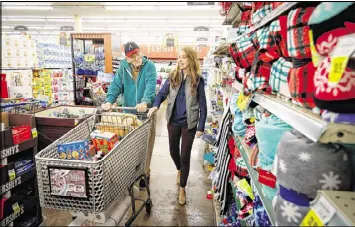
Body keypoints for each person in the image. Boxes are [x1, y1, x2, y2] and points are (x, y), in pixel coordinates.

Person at [148, 46, 207, 205]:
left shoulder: (198, 80)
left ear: (191, 59)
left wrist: (201, 126)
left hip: (189, 124)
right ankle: (179, 169)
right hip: (173, 121)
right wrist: (155, 105)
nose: (180, 60)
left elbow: (203, 104)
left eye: (184, 57)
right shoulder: (173, 76)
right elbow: (161, 93)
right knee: (173, 151)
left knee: (185, 155)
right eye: (179, 57)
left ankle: (182, 188)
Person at [102, 42, 157, 189]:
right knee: (130, 147)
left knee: (145, 146)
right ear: (127, 58)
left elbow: (151, 85)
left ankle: (146, 172)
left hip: (146, 114)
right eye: (132, 56)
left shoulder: (149, 66)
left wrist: (145, 101)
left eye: (137, 54)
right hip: (129, 116)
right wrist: (109, 101)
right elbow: (116, 85)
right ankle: (132, 174)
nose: (136, 58)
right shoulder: (123, 67)